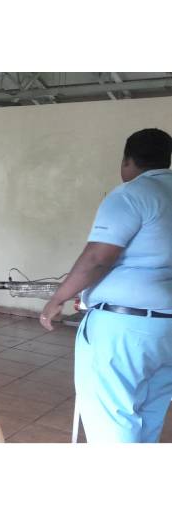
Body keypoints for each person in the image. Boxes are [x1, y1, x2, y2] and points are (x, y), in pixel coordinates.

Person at [40, 128, 172, 443]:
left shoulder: (132, 194)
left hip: (125, 326)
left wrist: (58, 299)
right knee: (151, 410)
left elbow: (98, 258)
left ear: (127, 161)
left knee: (113, 417)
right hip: (167, 327)